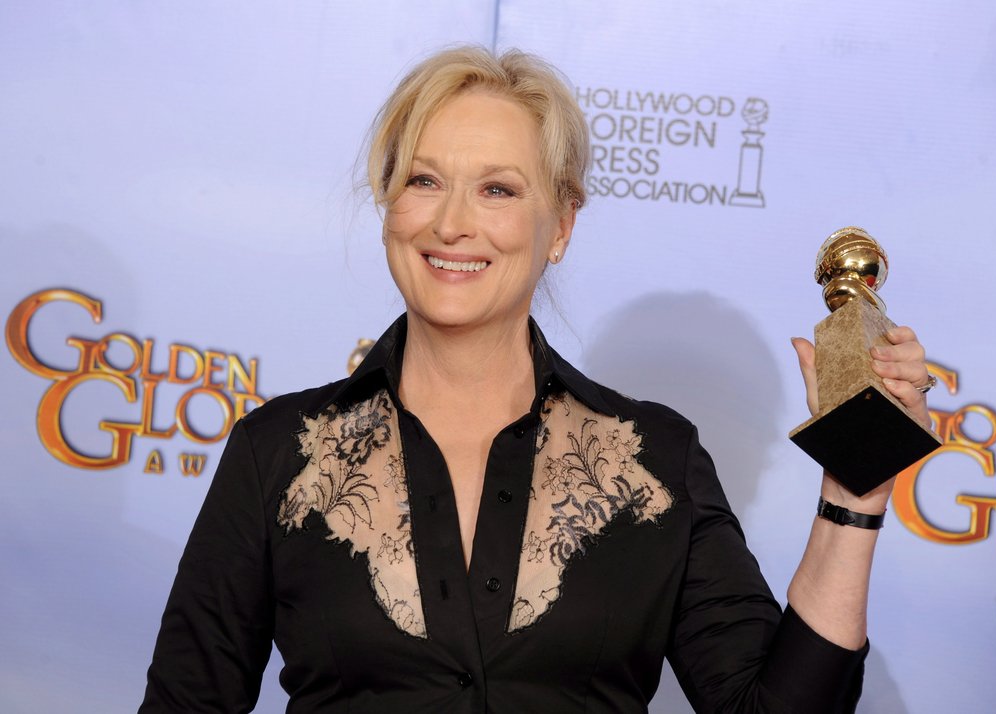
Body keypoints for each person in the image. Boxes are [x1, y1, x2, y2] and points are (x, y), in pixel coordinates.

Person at [141, 46, 934, 713]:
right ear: (387, 205)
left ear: (561, 225)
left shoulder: (654, 462)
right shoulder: (277, 454)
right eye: (423, 180)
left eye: (497, 189)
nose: (451, 223)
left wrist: (854, 494)